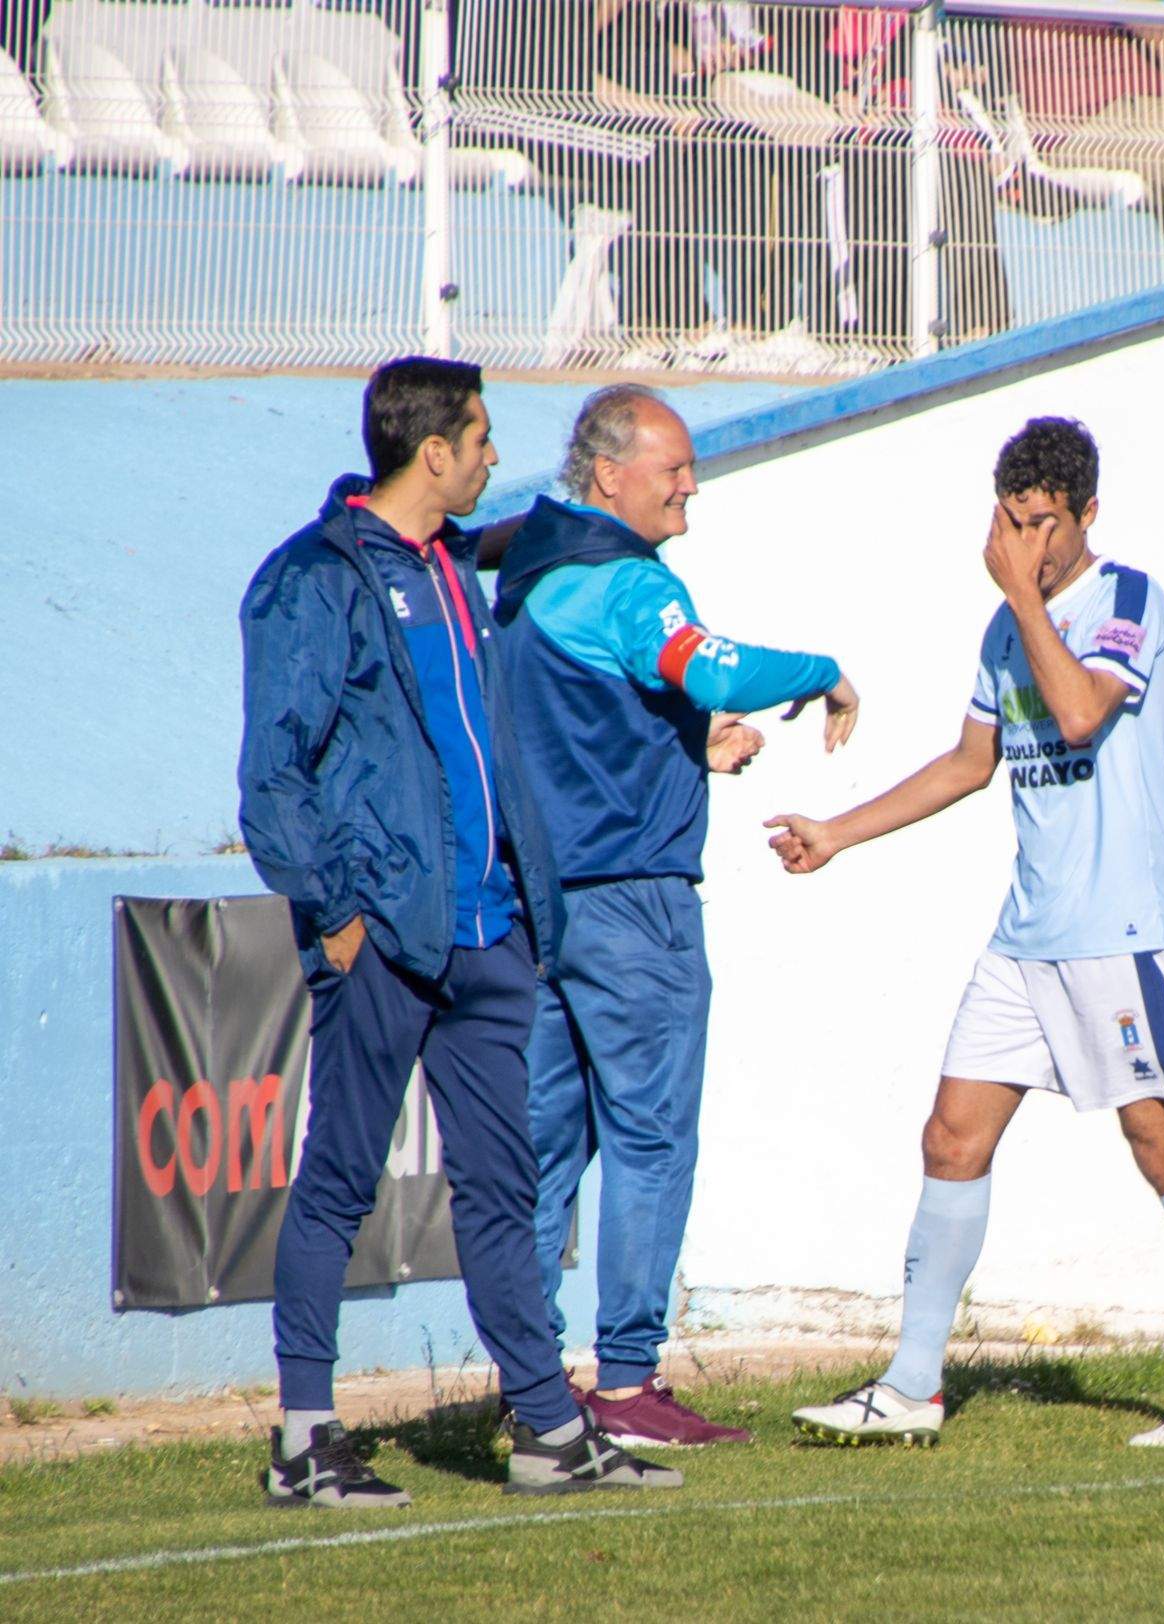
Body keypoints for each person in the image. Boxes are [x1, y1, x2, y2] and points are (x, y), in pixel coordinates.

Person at [771, 418, 1164, 1449]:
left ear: (1086, 515)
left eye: (1041, 522)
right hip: (1025, 937)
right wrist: (838, 833)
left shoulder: (1126, 598)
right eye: (1009, 519)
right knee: (950, 1137)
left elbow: (1081, 713)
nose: (1023, 541)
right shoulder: (1005, 628)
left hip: (1120, 930)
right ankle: (913, 1384)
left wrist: (1024, 598)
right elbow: (969, 762)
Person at [238, 358, 679, 1505]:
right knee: (340, 1179)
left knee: (502, 1187)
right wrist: (336, 913)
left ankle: (547, 1430)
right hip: (384, 937)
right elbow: (273, 773)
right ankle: (303, 1440)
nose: (492, 456)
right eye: (480, 438)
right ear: (432, 452)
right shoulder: (314, 578)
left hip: (488, 932)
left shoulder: (450, 564)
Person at [493, 384, 858, 1448]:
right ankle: (626, 1384)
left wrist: (688, 749)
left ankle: (531, 1390)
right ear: (610, 475)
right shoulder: (627, 580)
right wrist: (826, 672)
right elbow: (709, 665)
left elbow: (577, 739)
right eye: (674, 469)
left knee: (544, 1151)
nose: (691, 487)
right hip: (634, 908)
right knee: (649, 1140)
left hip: (543, 908)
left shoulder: (529, 585)